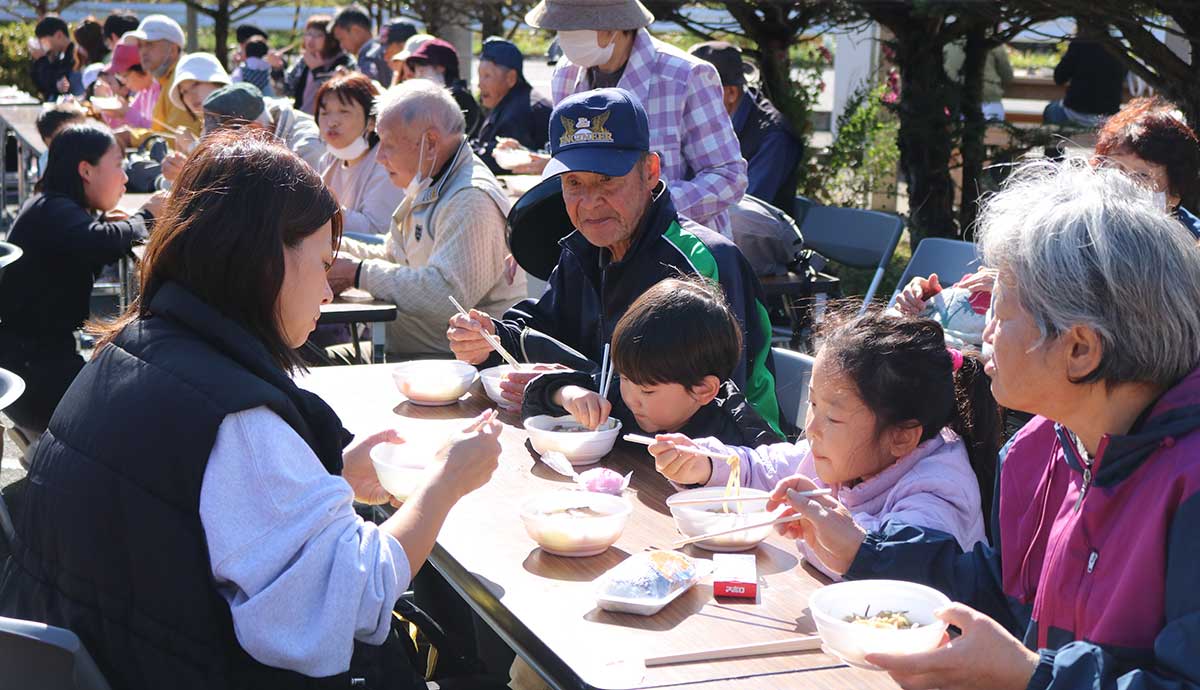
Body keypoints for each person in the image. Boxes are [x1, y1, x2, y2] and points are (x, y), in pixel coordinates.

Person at [0, 127, 506, 690]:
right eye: (320, 264)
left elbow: (198, 510)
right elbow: (355, 599)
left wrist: (329, 472)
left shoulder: (133, 347)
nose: (327, 292)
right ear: (264, 264)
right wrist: (446, 483)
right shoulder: (235, 421)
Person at [770, 159, 1200, 690]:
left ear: (1081, 349)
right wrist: (862, 550)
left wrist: (1029, 677)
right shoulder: (1042, 448)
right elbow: (1008, 594)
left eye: (1001, 307)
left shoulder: (1190, 481)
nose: (982, 330)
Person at [448, 88, 782, 435]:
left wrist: (565, 389)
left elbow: (714, 404)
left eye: (607, 180)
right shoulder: (585, 249)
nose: (590, 202)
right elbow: (545, 333)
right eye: (574, 182)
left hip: (733, 467)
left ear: (650, 172)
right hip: (619, 448)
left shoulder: (705, 262)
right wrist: (490, 340)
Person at [652, 309, 997, 579]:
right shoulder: (843, 452)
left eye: (832, 417)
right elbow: (767, 468)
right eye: (813, 404)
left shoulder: (940, 490)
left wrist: (816, 527)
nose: (811, 428)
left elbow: (893, 569)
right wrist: (708, 464)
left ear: (902, 436)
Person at [326, 79, 523, 357]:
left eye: (387, 143)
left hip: (452, 372)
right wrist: (330, 247)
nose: (379, 156)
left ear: (430, 142)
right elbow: (393, 253)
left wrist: (358, 273)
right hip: (412, 357)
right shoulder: (432, 178)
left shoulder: (470, 198)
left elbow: (446, 294)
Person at [523, 0, 747, 236]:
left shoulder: (684, 76)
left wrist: (650, 208)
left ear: (613, 27)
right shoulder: (566, 74)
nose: (563, 38)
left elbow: (728, 177)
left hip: (682, 249)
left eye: (572, 28)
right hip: (601, 250)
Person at [0, 124, 164, 439]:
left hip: (27, 365)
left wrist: (110, 224)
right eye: (118, 165)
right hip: (36, 379)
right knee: (139, 405)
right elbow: (99, 243)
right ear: (86, 171)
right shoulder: (55, 211)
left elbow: (93, 239)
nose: (125, 177)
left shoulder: (49, 205)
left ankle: (43, 445)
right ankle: (50, 451)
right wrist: (145, 216)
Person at [524, 277, 781, 448]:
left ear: (703, 390)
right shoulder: (618, 397)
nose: (631, 397)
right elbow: (535, 401)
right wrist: (567, 395)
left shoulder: (736, 437)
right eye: (624, 378)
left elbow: (772, 473)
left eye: (647, 390)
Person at [690, 40, 803, 215]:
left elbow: (745, 212)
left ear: (731, 93)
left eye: (698, 94)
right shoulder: (706, 124)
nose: (688, 102)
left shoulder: (774, 137)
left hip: (759, 237)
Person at [1093, 96, 1200, 238]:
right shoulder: (1077, 231)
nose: (1123, 182)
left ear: (1174, 193)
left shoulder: (1192, 247)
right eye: (1114, 169)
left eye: (1142, 175)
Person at [315, 72, 403, 237]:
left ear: (371, 122)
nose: (332, 122)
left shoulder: (386, 165)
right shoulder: (327, 160)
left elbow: (376, 231)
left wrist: (320, 207)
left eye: (344, 112)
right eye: (325, 113)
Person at [195, 82, 326, 174]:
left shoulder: (307, 151)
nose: (221, 156)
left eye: (224, 147)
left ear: (254, 131)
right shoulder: (260, 117)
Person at [471, 37, 552, 175]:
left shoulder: (520, 113)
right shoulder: (510, 101)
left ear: (510, 78)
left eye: (487, 76)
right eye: (480, 76)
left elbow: (501, 161)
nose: (480, 85)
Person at [118, 14, 195, 144]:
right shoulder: (166, 80)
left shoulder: (181, 81)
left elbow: (177, 142)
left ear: (173, 50)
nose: (143, 52)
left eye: (149, 44)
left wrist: (131, 137)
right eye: (140, 46)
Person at [1043, 19, 1126, 127]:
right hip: (1109, 116)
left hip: (1076, 112)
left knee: (1050, 110)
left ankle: (1048, 141)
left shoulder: (1079, 44)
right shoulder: (1118, 46)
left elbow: (1059, 78)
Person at [271, 15, 355, 116]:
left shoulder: (344, 61)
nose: (311, 39)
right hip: (301, 119)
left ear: (332, 39)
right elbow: (286, 91)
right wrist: (277, 69)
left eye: (318, 35)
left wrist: (318, 71)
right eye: (308, 34)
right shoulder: (304, 60)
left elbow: (338, 95)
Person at [405, 38, 481, 136]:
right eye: (416, 71)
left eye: (422, 71)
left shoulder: (459, 98)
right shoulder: (429, 99)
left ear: (441, 68)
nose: (418, 77)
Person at [944, 41, 1014, 122]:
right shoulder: (993, 43)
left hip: (958, 99)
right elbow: (1007, 76)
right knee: (994, 129)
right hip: (989, 97)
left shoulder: (949, 43)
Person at [92, 43, 157, 130]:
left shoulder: (160, 90)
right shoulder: (143, 93)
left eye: (124, 75)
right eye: (119, 76)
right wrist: (115, 113)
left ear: (142, 69)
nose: (122, 81)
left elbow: (156, 130)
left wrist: (127, 112)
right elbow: (120, 127)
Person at [332, 4, 392, 87]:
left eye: (341, 39)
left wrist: (347, 80)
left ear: (356, 30)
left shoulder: (369, 56)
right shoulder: (379, 49)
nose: (341, 46)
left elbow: (368, 89)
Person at [29, 15, 83, 101]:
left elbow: (58, 84)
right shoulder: (58, 55)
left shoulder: (75, 55)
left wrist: (42, 60)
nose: (42, 45)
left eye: (44, 41)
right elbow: (41, 86)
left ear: (59, 35)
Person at [168, 52, 231, 121]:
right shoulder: (210, 126)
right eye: (184, 92)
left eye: (195, 84)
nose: (190, 96)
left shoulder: (240, 118)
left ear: (218, 83)